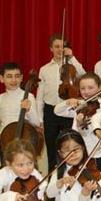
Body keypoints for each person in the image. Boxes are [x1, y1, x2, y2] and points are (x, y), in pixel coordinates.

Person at [37, 33, 86, 169]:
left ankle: (70, 175)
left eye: (63, 46)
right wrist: (40, 118)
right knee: (52, 148)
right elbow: (40, 96)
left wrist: (72, 57)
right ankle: (52, 177)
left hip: (68, 111)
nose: (60, 49)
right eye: (57, 46)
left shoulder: (72, 66)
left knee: (70, 146)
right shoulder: (44, 69)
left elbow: (84, 75)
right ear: (51, 49)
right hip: (50, 111)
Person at [0, 62, 41, 163]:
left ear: (21, 78)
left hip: (24, 140)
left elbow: (36, 123)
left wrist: (29, 110)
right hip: (5, 140)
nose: (14, 80)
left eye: (17, 76)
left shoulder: (29, 96)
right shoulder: (0, 98)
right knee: (6, 169)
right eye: (9, 76)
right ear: (1, 78)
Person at [45, 129, 97, 201]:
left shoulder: (89, 170)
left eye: (76, 149)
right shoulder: (59, 171)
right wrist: (60, 182)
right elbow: (49, 194)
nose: (73, 154)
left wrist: (86, 191)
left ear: (83, 148)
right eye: (67, 150)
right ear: (60, 153)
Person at [53, 73, 101, 169]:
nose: (86, 91)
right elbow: (57, 111)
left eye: (90, 88)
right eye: (83, 88)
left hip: (93, 154)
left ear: (99, 88)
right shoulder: (81, 104)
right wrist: (67, 102)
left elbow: (85, 132)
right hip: (77, 153)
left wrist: (79, 124)